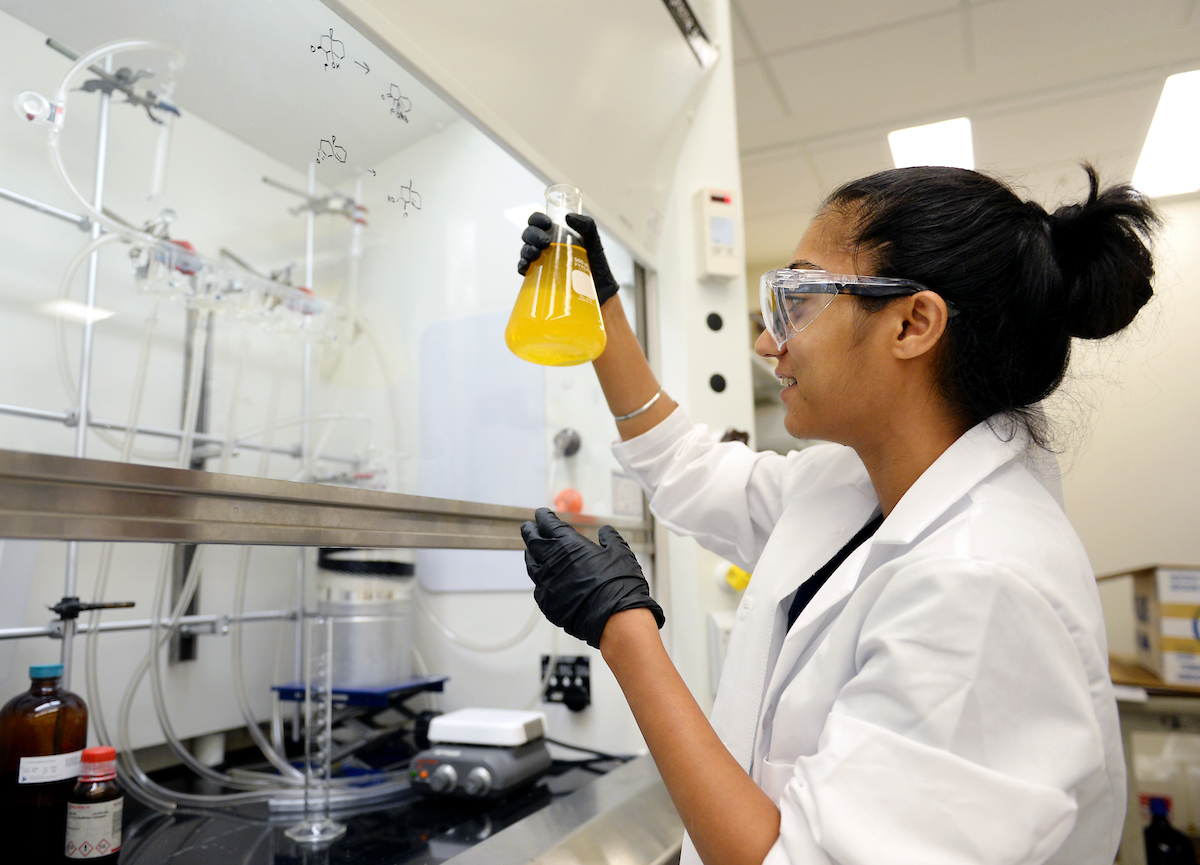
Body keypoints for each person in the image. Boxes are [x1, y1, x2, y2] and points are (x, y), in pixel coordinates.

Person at [517, 165, 1159, 865]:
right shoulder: (852, 486)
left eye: (795, 299)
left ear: (913, 323)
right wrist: (601, 310)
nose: (769, 342)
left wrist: (624, 631)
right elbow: (688, 469)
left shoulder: (983, 589)